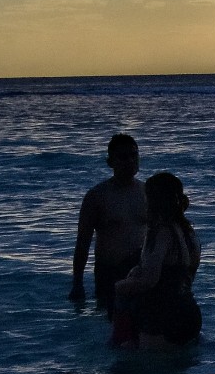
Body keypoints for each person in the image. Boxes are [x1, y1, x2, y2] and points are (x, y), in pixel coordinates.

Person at [112, 172, 201, 348]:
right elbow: (187, 275)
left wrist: (120, 286)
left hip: (161, 317)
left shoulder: (161, 232)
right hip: (190, 314)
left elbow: (150, 281)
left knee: (133, 365)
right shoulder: (190, 233)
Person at [71, 133, 147, 312]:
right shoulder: (97, 196)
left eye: (134, 155)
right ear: (110, 162)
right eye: (123, 157)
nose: (130, 161)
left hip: (141, 271)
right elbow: (83, 242)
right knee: (110, 325)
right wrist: (77, 283)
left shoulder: (147, 192)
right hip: (110, 271)